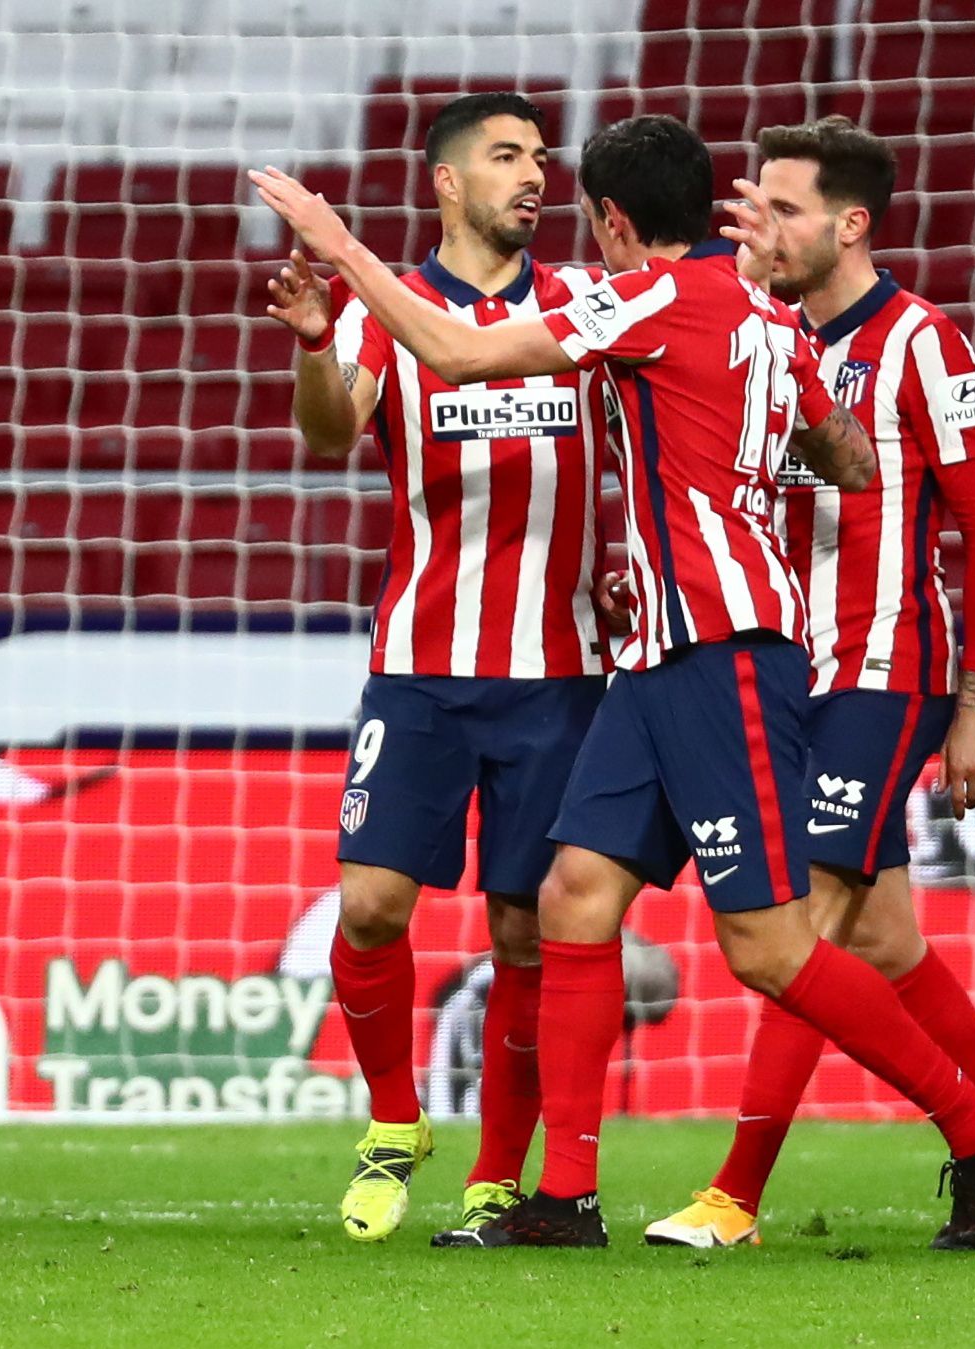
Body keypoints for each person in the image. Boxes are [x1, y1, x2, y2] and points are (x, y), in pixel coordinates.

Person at [253, 113, 975, 1252]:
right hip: (652, 657)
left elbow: (463, 354)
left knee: (770, 946)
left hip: (721, 651)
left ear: (615, 221)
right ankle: (564, 1197)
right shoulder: (771, 317)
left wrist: (341, 245)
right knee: (575, 896)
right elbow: (853, 460)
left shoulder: (648, 299)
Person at [643, 116, 975, 1250]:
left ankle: (735, 1192)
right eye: (756, 203)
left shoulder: (924, 342)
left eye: (784, 208)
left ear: (850, 223)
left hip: (885, 667)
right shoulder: (756, 333)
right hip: (789, 662)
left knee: (807, 922)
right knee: (883, 937)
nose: (762, 226)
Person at [263, 92, 608, 1246]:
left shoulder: (584, 308)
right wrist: (317, 343)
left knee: (523, 931)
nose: (533, 176)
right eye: (506, 157)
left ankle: (497, 1176)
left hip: (559, 672)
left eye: (540, 158)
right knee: (370, 904)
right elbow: (328, 428)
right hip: (419, 666)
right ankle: (396, 1120)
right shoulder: (384, 309)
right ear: (445, 183)